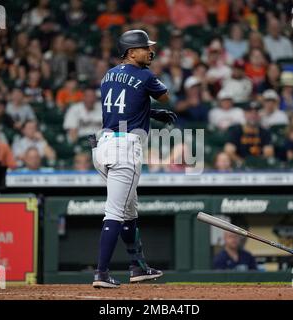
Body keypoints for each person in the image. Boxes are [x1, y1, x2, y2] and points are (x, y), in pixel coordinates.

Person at [91, 29, 177, 288]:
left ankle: (137, 267)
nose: (150, 51)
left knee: (128, 211)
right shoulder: (144, 74)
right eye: (144, 48)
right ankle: (101, 273)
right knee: (115, 212)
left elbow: (127, 104)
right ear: (130, 52)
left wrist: (151, 114)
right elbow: (165, 96)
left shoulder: (108, 75)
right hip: (125, 149)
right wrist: (157, 107)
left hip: (103, 146)